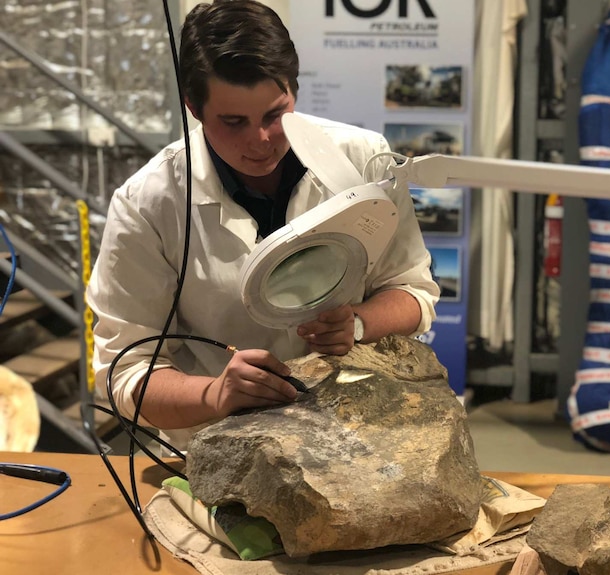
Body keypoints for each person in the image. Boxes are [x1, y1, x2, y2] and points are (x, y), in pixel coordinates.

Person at [87, 0, 439, 451]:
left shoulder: (364, 157)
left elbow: (414, 291)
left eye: (275, 114)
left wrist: (357, 322)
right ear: (193, 108)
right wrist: (216, 394)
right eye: (233, 122)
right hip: (215, 448)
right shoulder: (150, 203)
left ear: (294, 88)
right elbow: (126, 373)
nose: (260, 141)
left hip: (354, 431)